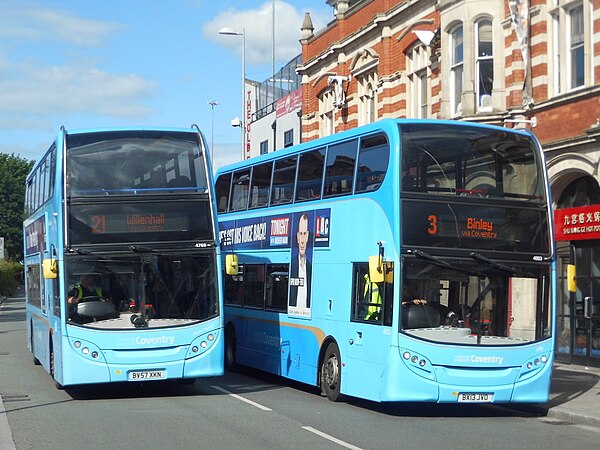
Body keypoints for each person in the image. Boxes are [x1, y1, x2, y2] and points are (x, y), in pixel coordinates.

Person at [289, 213, 312, 310]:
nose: (302, 241)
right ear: (297, 237)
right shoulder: (292, 264)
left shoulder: (310, 268)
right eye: (300, 234)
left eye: (305, 234)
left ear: (307, 237)